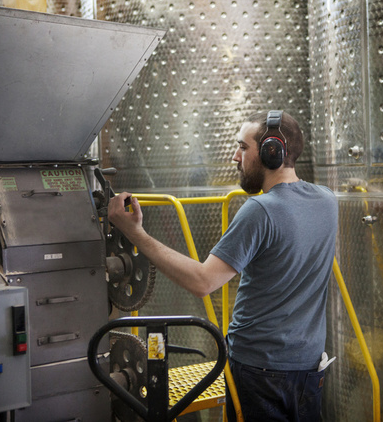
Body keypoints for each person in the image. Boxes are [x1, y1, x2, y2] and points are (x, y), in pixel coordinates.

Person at [108, 110, 339, 421]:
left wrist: (135, 232)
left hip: (260, 370)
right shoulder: (326, 200)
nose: (235, 157)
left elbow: (203, 282)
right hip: (310, 366)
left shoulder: (261, 211)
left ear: (273, 152)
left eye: (243, 148)